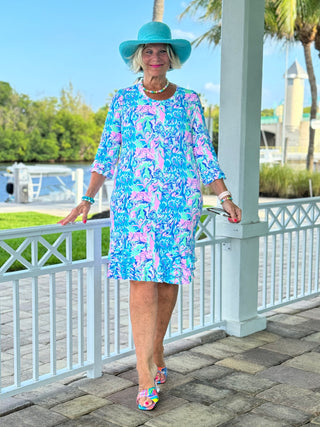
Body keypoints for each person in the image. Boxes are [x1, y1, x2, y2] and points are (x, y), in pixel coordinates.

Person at [59, 21, 242, 411]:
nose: (155, 58)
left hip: (179, 204)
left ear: (171, 58)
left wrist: (224, 195)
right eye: (148, 51)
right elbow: (106, 153)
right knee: (141, 284)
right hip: (135, 204)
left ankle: (156, 352)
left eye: (162, 51)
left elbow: (203, 154)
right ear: (138, 59)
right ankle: (145, 372)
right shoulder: (123, 100)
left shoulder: (190, 100)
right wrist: (86, 199)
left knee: (167, 281)